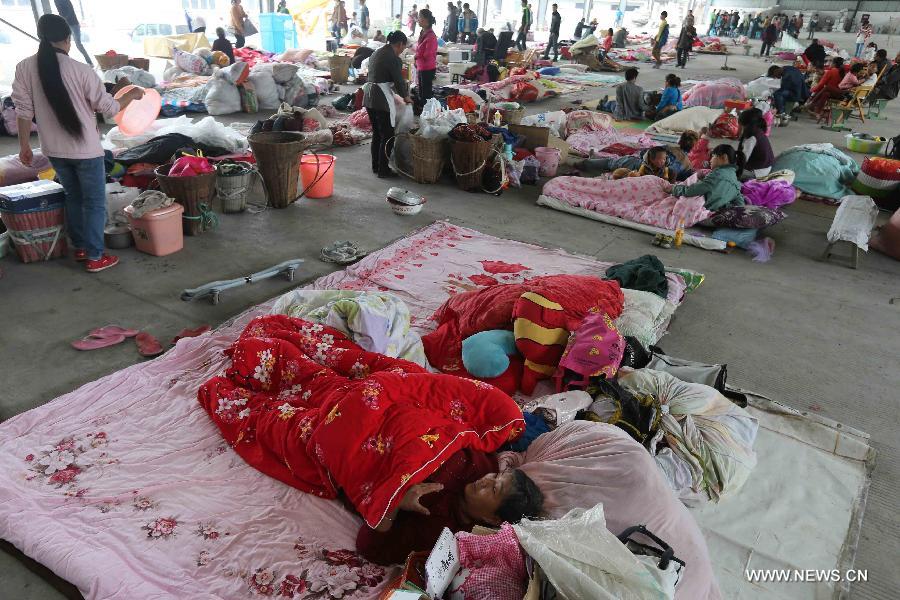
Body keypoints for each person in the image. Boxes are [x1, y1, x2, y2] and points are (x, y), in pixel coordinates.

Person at [13, 14, 145, 273]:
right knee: (94, 202)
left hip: (53, 149)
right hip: (86, 151)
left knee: (73, 196)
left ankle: (82, 247)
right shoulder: (81, 70)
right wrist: (132, 93)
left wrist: (24, 146)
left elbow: (23, 110)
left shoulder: (24, 68)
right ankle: (96, 256)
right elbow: (108, 109)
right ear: (68, 39)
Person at [356, 448, 544, 565]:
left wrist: (395, 501)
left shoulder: (439, 534)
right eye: (495, 476)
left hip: (366, 464)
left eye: (494, 489)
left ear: (494, 519)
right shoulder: (481, 464)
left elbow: (370, 547)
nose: (486, 480)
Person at [363, 31, 410, 178]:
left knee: (378, 133)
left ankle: (376, 166)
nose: (403, 49)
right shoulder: (393, 58)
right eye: (404, 46)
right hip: (380, 97)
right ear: (400, 44)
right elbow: (398, 81)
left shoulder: (377, 52)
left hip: (368, 95)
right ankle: (384, 170)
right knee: (388, 135)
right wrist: (406, 97)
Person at [669, 144, 744, 211]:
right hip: (716, 212)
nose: (710, 160)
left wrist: (673, 189)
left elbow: (692, 190)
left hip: (701, 211)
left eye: (713, 156)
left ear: (724, 157)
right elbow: (740, 204)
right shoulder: (736, 182)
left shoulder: (717, 175)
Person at [736, 108, 773, 179]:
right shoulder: (758, 131)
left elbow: (742, 159)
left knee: (727, 173)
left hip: (758, 172)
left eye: (740, 124)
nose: (739, 127)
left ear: (745, 125)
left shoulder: (751, 138)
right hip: (765, 167)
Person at [53, 0, 92, 66]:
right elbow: (60, 12)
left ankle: (89, 62)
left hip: (73, 24)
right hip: (65, 24)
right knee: (63, 44)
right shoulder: (56, 1)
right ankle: (66, 64)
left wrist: (63, 19)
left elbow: (70, 10)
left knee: (78, 44)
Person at [415, 9, 437, 106]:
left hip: (427, 68)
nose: (418, 19)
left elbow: (428, 54)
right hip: (421, 67)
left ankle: (427, 115)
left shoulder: (431, 36)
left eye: (419, 17)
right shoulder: (422, 33)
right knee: (421, 92)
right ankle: (423, 113)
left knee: (426, 94)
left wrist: (417, 55)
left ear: (425, 20)